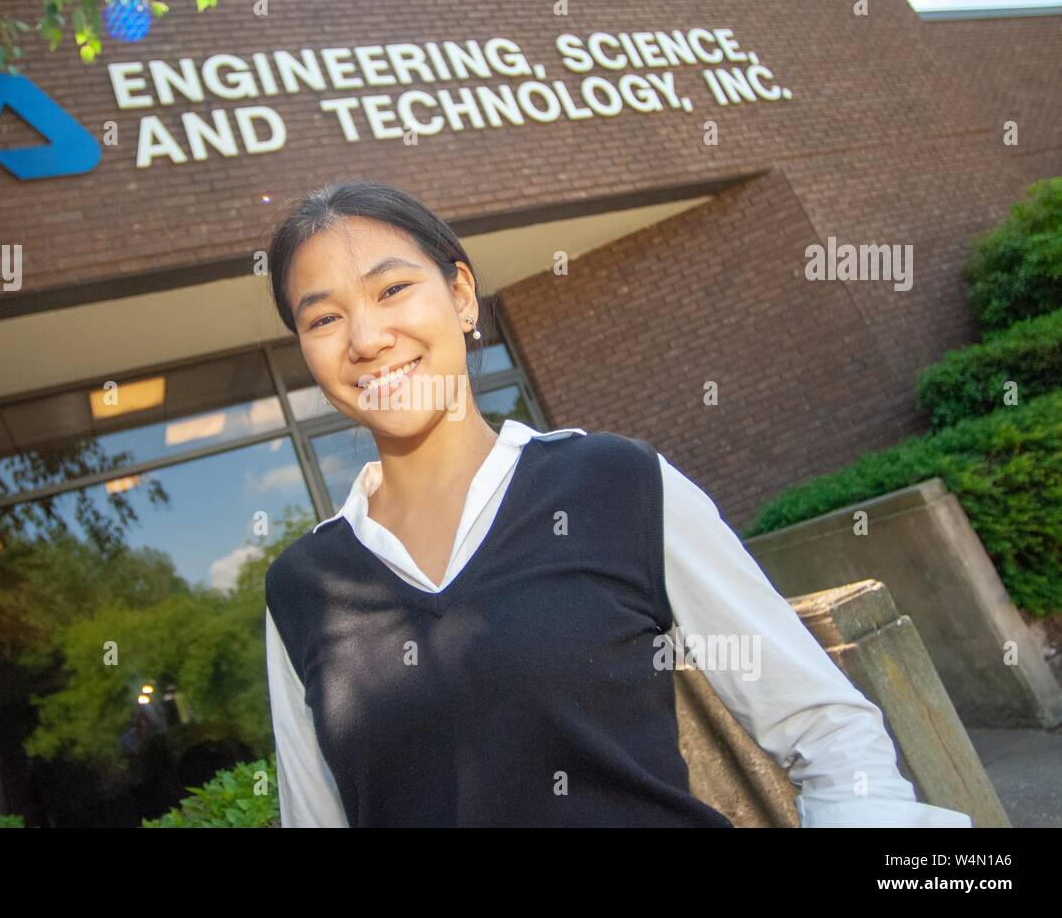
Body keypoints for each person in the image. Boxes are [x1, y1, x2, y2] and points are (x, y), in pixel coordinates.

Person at [261, 179, 973, 828]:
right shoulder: (303, 586)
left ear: (462, 295)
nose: (366, 339)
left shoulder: (614, 483)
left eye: (392, 290)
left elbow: (825, 727)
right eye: (323, 320)